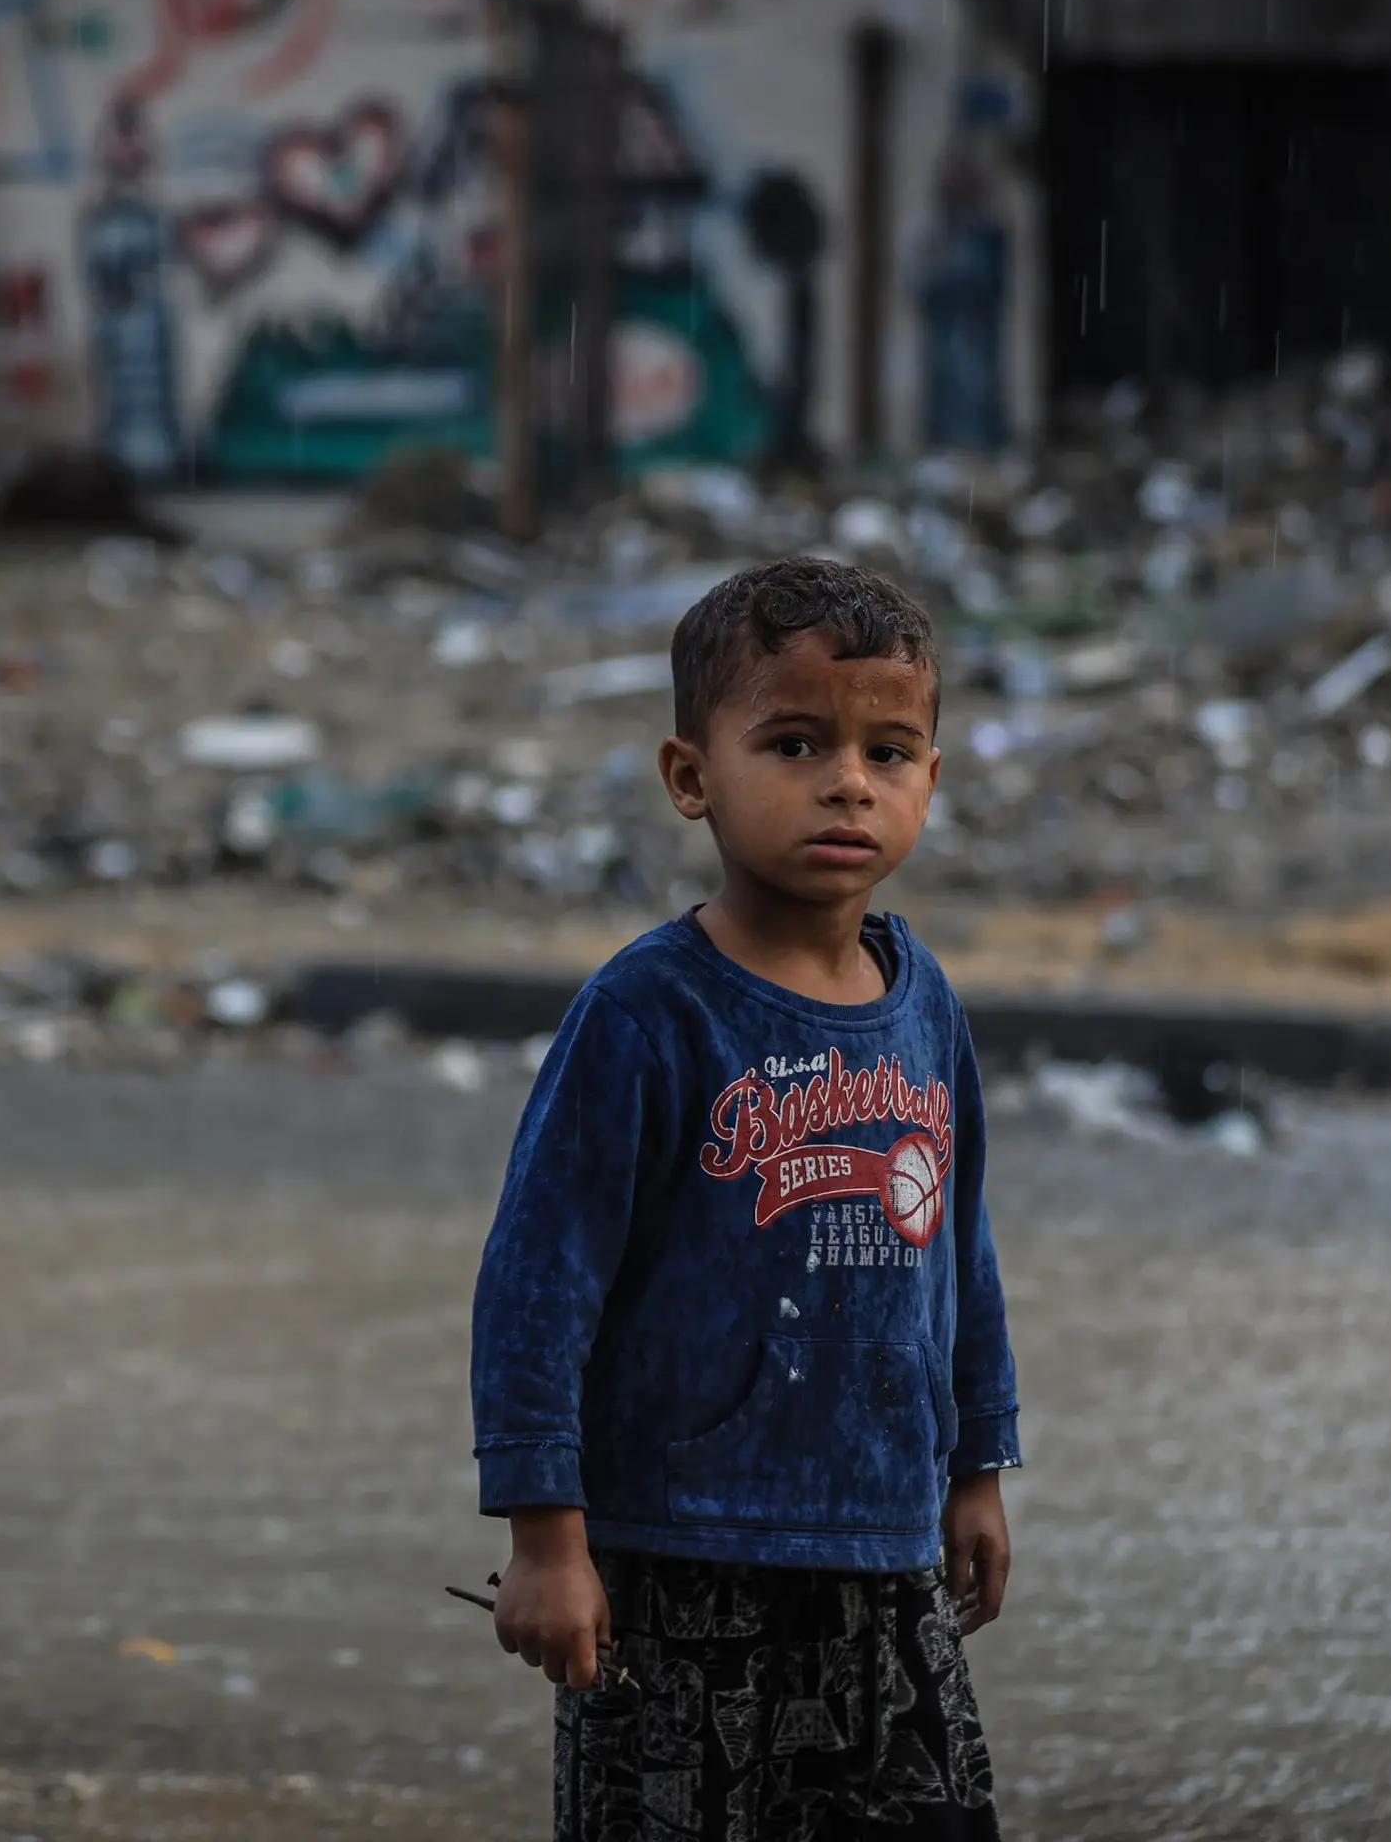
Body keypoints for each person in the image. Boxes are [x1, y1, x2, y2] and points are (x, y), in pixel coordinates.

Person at [471, 556, 1020, 1839]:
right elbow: (538, 1279)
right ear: (690, 777)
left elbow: (961, 1252)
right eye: (794, 740)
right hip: (677, 1561)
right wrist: (547, 1534)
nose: (847, 780)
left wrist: (977, 1464)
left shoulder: (925, 1006)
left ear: (931, 780)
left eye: (890, 750)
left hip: (886, 1556)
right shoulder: (647, 1013)